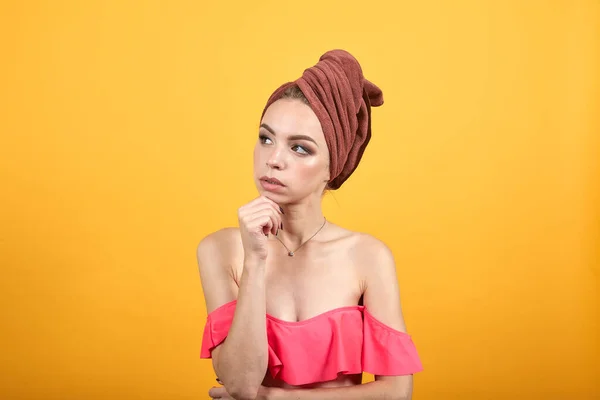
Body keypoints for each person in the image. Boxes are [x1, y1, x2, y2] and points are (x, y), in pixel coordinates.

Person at [197, 49, 423, 400]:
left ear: (334, 167)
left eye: (300, 148)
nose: (273, 160)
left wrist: (275, 398)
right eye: (266, 138)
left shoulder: (367, 256)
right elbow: (240, 384)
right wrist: (255, 261)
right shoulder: (220, 250)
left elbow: (397, 392)